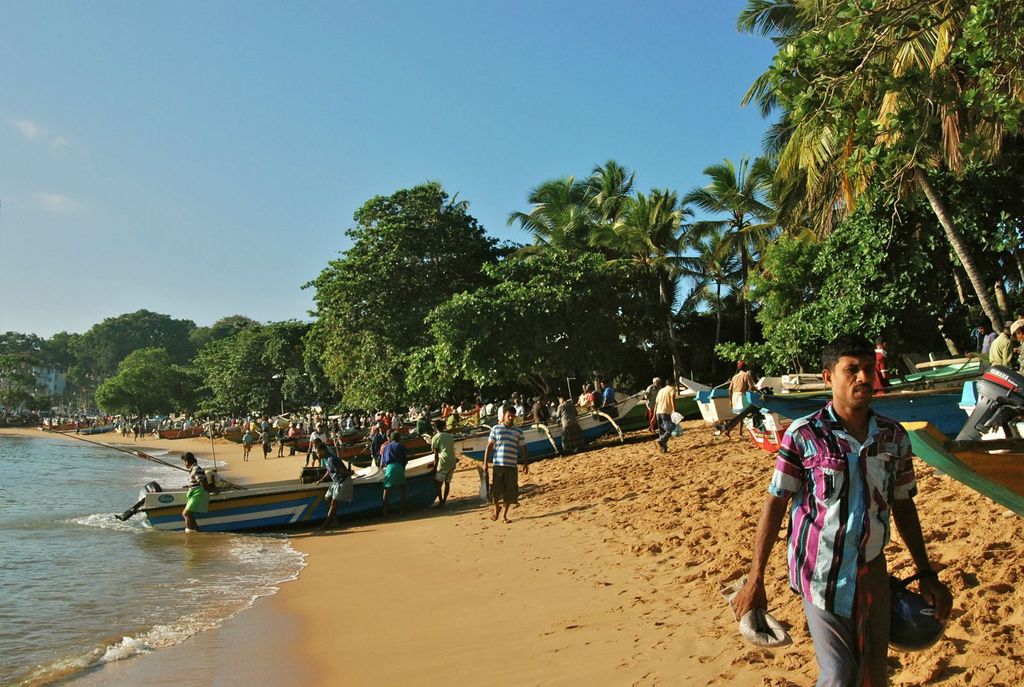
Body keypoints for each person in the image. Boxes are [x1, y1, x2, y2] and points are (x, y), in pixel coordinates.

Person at [731, 335, 953, 686]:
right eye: (851, 370)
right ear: (827, 377)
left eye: (869, 369)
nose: (863, 378)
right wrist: (755, 578)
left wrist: (926, 573)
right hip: (819, 573)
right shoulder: (804, 435)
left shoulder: (893, 437)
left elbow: (903, 505)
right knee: (838, 675)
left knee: (873, 675)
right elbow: (775, 504)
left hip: (873, 571)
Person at [482, 404, 527, 524]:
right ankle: (497, 507)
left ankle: (504, 516)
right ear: (504, 416)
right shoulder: (496, 429)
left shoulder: (518, 431)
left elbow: (523, 448)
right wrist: (485, 463)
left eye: (513, 416)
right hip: (498, 465)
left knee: (510, 491)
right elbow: (489, 447)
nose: (511, 418)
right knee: (496, 491)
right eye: (509, 416)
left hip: (512, 465)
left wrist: (525, 463)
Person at [314, 439, 352, 529]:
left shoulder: (331, 459)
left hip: (342, 481)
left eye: (317, 452)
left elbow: (342, 472)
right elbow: (329, 470)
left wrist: (350, 473)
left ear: (322, 451)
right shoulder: (326, 459)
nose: (316, 454)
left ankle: (325, 524)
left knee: (334, 502)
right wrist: (321, 480)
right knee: (327, 498)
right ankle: (335, 521)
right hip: (335, 482)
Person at [181, 452, 217, 532]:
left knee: (186, 514)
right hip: (196, 493)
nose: (184, 464)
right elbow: (197, 482)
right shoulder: (195, 469)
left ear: (187, 461)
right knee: (188, 514)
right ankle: (197, 531)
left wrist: (210, 491)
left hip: (199, 494)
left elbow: (202, 483)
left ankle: (189, 534)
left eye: (184, 462)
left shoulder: (196, 469)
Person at [380, 431, 409, 516]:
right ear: (399, 438)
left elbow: (384, 462)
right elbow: (405, 461)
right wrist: (402, 470)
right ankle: (403, 510)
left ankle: (385, 513)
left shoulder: (385, 447)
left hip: (389, 468)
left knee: (386, 491)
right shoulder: (401, 446)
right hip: (399, 467)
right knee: (403, 489)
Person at [430, 419, 457, 507]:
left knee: (437, 484)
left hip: (443, 462)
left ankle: (441, 501)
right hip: (452, 461)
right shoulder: (449, 436)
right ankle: (444, 501)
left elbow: (435, 455)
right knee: (447, 483)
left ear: (435, 428)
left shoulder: (436, 438)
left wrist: (434, 467)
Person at [653, 379, 677, 454]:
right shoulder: (672, 389)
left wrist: (653, 417)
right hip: (665, 412)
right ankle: (661, 441)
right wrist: (674, 411)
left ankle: (663, 449)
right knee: (671, 427)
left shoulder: (661, 391)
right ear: (672, 384)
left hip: (658, 413)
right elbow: (672, 399)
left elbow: (656, 404)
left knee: (662, 431)